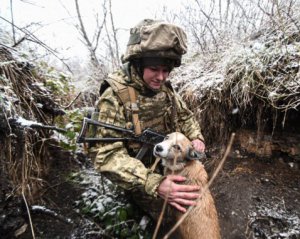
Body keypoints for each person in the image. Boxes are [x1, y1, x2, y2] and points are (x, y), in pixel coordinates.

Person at [93, 19, 205, 223]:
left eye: (166, 71)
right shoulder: (115, 97)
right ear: (138, 64)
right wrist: (153, 183)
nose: (161, 77)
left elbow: (185, 116)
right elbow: (106, 156)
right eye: (154, 69)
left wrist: (196, 137)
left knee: (197, 200)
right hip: (138, 176)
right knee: (171, 216)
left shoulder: (165, 90)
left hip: (168, 160)